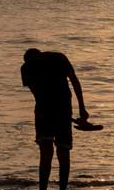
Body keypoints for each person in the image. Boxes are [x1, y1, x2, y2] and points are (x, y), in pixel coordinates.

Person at [21, 48, 90, 190]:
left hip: (44, 111)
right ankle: (62, 188)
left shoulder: (26, 67)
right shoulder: (59, 57)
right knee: (63, 151)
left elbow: (37, 94)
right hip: (64, 108)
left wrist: (49, 109)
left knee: (46, 152)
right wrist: (82, 108)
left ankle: (43, 188)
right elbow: (75, 81)